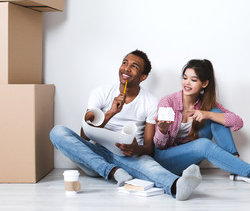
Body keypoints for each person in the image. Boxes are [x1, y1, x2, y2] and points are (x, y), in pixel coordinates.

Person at [50, 50, 201, 201]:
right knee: (57, 132)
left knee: (150, 167)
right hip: (94, 155)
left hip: (127, 156)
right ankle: (112, 171)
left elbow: (149, 148)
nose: (127, 68)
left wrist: (136, 150)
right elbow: (84, 135)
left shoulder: (150, 102)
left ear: (143, 77)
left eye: (134, 66)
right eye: (125, 63)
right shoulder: (101, 92)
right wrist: (110, 112)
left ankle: (176, 186)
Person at [154, 59, 250, 185]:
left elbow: (237, 122)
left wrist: (207, 114)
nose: (187, 83)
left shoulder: (206, 104)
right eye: (185, 78)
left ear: (204, 83)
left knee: (215, 114)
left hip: (192, 159)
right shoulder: (168, 102)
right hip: (167, 160)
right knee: (204, 142)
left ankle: (236, 170)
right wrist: (163, 130)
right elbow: (159, 145)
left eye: (193, 79)